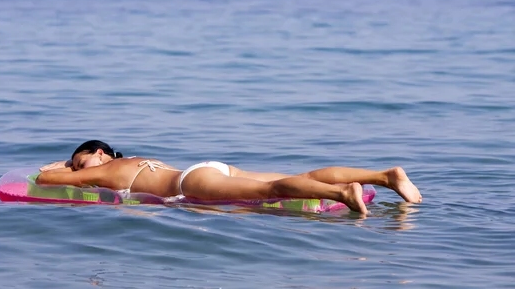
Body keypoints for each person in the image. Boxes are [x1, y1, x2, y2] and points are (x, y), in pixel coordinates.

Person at [37, 140, 422, 214]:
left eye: (78, 160)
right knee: (294, 178)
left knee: (272, 191)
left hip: (191, 183)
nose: (76, 169)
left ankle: (343, 193)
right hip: (208, 169)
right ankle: (386, 176)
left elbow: (46, 183)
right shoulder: (137, 159)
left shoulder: (102, 171)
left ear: (99, 153)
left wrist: (57, 169)